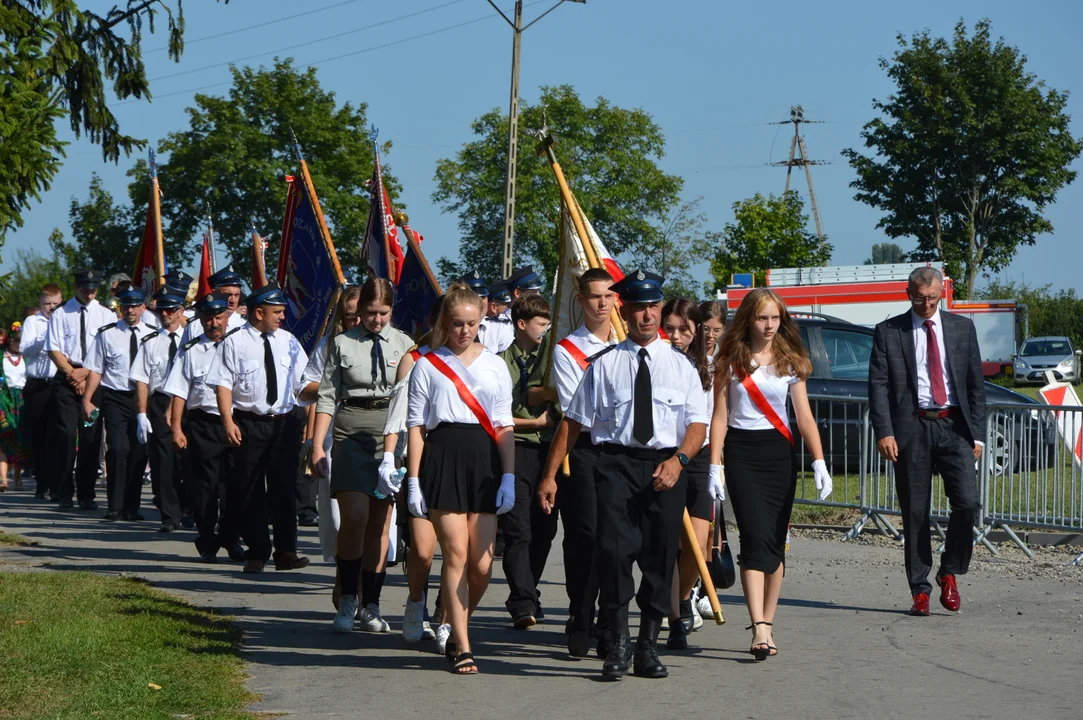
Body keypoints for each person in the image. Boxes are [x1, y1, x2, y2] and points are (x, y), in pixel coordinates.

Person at [539, 269, 708, 681]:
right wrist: (549, 477)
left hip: (666, 467)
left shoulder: (681, 367)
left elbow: (698, 426)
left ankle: (648, 644)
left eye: (652, 307)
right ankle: (616, 639)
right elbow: (572, 423)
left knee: (658, 557)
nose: (646, 315)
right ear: (624, 310)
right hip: (614, 465)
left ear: (660, 309)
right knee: (613, 554)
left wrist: (680, 461)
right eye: (638, 307)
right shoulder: (604, 364)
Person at [709, 287, 832, 660]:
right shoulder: (728, 360)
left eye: (775, 318)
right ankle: (757, 625)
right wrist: (715, 464)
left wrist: (819, 461)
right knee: (753, 535)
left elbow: (805, 416)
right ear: (749, 319)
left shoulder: (791, 361)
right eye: (762, 318)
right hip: (742, 454)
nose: (768, 325)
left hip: (779, 455)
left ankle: (769, 622)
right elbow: (720, 417)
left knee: (775, 540)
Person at [405, 284, 516, 675]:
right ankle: (463, 644)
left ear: (481, 320)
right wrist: (415, 480)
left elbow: (503, 424)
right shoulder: (427, 364)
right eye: (456, 324)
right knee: (455, 553)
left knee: (482, 564)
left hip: (484, 460)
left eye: (472, 323)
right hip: (443, 454)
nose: (464, 331)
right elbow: (416, 424)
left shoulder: (495, 365)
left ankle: (454, 623)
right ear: (444, 322)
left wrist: (509, 477)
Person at [868, 266, 986, 616]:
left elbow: (975, 385)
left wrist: (977, 434)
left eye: (932, 298)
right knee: (915, 512)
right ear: (908, 294)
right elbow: (877, 386)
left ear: (941, 295)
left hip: (954, 428)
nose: (926, 304)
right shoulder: (889, 332)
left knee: (968, 503)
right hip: (911, 429)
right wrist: (885, 431)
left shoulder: (962, 328)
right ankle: (919, 589)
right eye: (920, 298)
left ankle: (949, 571)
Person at [311, 278, 414, 634]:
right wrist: (316, 445)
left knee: (379, 524)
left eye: (384, 313)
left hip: (390, 432)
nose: (377, 320)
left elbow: (411, 399)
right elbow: (326, 397)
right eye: (370, 312)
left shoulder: (405, 345)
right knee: (353, 515)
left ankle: (371, 602)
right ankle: (348, 595)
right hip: (350, 429)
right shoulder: (341, 343)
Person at [206, 281, 310, 573]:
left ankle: (286, 551)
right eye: (276, 312)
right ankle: (257, 552)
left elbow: (304, 383)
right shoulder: (235, 342)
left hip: (285, 423)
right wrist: (227, 421)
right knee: (249, 489)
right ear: (258, 313)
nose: (282, 317)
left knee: (285, 488)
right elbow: (223, 384)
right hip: (249, 423)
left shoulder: (289, 341)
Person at [549, 267, 617, 658]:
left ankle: (610, 619)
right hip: (586, 447)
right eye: (595, 296)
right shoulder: (567, 350)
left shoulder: (628, 343)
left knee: (617, 538)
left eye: (609, 296)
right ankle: (580, 611)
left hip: (623, 450)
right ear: (581, 300)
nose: (603, 303)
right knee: (585, 536)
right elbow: (581, 408)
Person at [383, 298, 445, 649]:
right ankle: (416, 600)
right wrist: (390, 459)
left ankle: (445, 614)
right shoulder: (415, 358)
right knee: (422, 551)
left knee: (458, 552)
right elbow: (400, 413)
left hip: (461, 462)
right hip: (419, 461)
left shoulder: (480, 360)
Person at [164, 293, 244, 563]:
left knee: (234, 485)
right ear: (201, 320)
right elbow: (179, 391)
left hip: (235, 423)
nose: (214, 323)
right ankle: (207, 539)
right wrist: (176, 428)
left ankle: (232, 539)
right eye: (208, 318)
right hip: (203, 423)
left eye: (219, 317)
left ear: (226, 318)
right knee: (204, 486)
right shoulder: (191, 351)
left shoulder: (239, 346)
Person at [499, 293, 559, 629]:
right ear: (522, 324)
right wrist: (532, 423)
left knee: (545, 529)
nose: (545, 330)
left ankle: (528, 589)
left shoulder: (550, 359)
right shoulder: (499, 362)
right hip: (516, 446)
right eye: (541, 324)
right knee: (518, 529)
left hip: (548, 450)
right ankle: (522, 601)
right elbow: (496, 414)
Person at [660, 297, 715, 650]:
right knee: (666, 545)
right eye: (671, 329)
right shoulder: (656, 361)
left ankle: (680, 598)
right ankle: (676, 618)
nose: (676, 336)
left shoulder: (711, 365)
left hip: (701, 455)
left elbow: (719, 416)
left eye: (684, 330)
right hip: (666, 455)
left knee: (696, 545)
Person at [45, 268, 116, 509]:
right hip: (67, 378)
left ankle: (87, 494)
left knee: (91, 437)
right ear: (76, 287)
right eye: (86, 288)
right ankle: (64, 490)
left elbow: (108, 352)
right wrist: (73, 375)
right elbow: (53, 348)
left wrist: (85, 375)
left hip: (94, 380)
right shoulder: (61, 313)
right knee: (65, 434)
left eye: (94, 289)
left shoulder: (106, 315)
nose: (90, 293)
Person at [82, 289, 156, 521]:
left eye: (135, 306)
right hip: (115, 396)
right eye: (126, 306)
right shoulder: (107, 334)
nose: (130, 310)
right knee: (118, 449)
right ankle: (114, 505)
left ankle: (131, 507)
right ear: (120, 308)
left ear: (143, 307)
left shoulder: (154, 335)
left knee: (138, 452)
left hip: (144, 399)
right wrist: (87, 399)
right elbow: (95, 369)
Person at [131, 289, 189, 532]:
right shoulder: (151, 342)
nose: (165, 314)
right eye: (161, 309)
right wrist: (142, 414)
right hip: (161, 402)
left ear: (180, 312)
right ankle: (169, 516)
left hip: (187, 404)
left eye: (171, 309)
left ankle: (188, 508)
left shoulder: (192, 340)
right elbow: (142, 380)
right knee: (163, 461)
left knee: (188, 461)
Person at [21, 284, 62, 497]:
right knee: (38, 434)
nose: (51, 308)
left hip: (58, 382)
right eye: (47, 304)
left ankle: (57, 484)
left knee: (58, 434)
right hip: (37, 383)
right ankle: (41, 481)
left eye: (56, 304)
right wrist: (46, 334)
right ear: (40, 303)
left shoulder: (64, 319)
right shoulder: (32, 322)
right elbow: (25, 349)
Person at [179, 266, 246, 344]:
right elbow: (183, 354)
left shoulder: (244, 325)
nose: (233, 301)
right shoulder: (195, 326)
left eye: (236, 295)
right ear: (215, 293)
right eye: (228, 295)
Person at [0, 325, 29, 491]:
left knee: (20, 438)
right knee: (4, 437)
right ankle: (3, 479)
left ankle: (17, 478)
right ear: (11, 340)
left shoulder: (26, 357)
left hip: (22, 400)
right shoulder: (1, 356)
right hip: (4, 399)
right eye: (19, 341)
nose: (22, 345)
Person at [478, 279, 512, 354]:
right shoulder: (499, 327)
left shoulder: (501, 328)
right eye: (506, 305)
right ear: (494, 307)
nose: (508, 310)